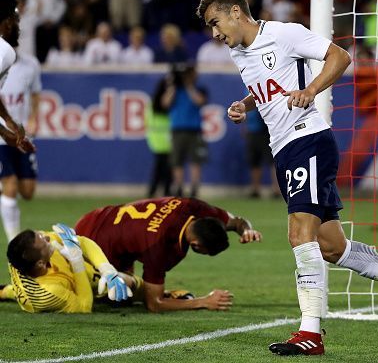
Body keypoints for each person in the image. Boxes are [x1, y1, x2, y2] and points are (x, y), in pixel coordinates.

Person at [197, 0, 378, 356]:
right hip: (286, 150)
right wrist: (245, 103)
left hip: (307, 140)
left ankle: (310, 332)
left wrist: (310, 91)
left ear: (235, 13)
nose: (214, 33)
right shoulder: (240, 53)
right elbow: (271, 90)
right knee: (330, 246)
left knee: (299, 234)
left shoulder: (285, 34)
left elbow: (339, 57)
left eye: (216, 22)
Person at [73, 196, 262, 312]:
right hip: (93, 244)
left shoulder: (192, 206)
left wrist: (246, 231)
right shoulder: (159, 246)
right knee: (117, 296)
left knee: (128, 287)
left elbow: (236, 222)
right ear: (195, 246)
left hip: (99, 217)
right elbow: (154, 305)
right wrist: (203, 302)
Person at [2, 224, 134, 313]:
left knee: (112, 276)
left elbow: (82, 242)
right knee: (125, 282)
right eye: (44, 241)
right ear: (40, 264)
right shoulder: (47, 293)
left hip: (44, 276)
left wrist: (107, 270)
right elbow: (84, 307)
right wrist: (76, 260)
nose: (48, 237)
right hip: (52, 288)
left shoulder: (22, 253)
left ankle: (4, 291)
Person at [0, 50, 41, 241]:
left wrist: (33, 117)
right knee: (10, 184)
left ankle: (5, 196)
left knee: (27, 191)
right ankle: (12, 239)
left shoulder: (31, 64)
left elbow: (35, 94)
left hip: (22, 135)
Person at [162, 64, 208, 198]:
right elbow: (165, 103)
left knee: (195, 160)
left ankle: (194, 188)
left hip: (194, 130)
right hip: (177, 129)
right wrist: (172, 86)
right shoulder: (175, 90)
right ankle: (179, 187)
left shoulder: (199, 89)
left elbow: (199, 101)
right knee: (177, 161)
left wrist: (189, 86)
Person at [0, 0, 36, 154]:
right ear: (7, 22)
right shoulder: (5, 50)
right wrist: (6, 133)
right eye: (16, 19)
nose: (18, 26)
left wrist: (9, 120)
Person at [146, 78, 172, 197]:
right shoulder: (158, 101)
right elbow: (163, 107)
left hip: (158, 138)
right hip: (162, 138)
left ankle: (154, 192)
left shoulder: (152, 101)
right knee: (162, 169)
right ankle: (158, 192)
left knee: (163, 169)